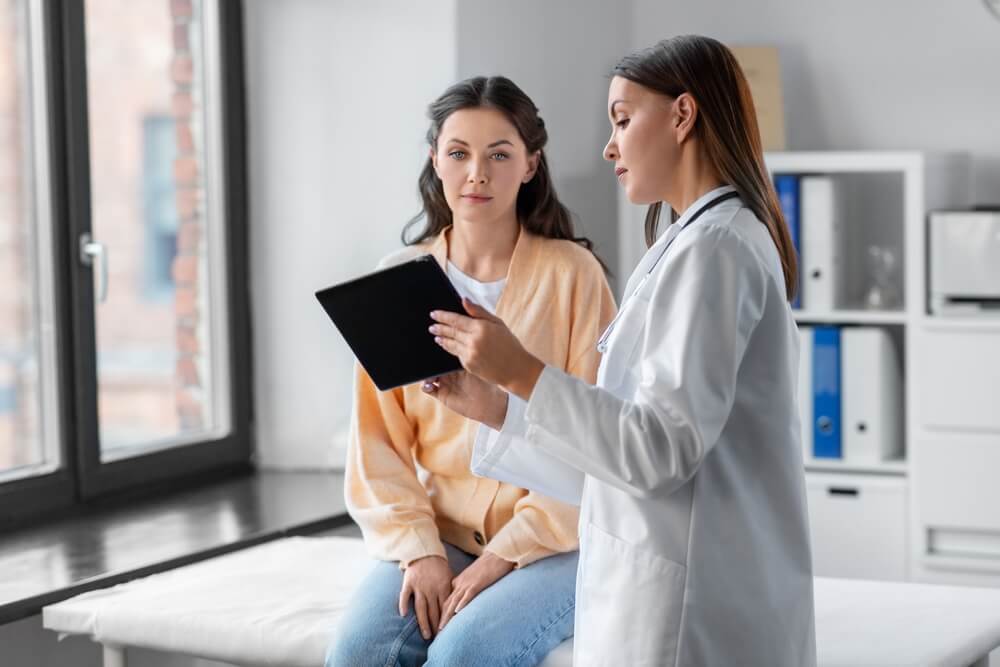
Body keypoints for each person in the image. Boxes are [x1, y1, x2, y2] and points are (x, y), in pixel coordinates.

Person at [426, 35, 817, 666]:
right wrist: (500, 406)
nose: (609, 146)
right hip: (658, 579)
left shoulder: (716, 250)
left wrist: (524, 373)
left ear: (682, 115)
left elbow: (657, 454)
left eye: (622, 119)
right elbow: (620, 456)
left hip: (694, 611)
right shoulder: (686, 245)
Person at [326, 75, 616, 667]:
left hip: (557, 541)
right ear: (435, 160)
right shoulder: (398, 279)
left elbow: (598, 441)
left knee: (466, 655)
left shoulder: (574, 276)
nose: (476, 173)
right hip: (441, 534)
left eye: (499, 154)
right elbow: (376, 446)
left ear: (531, 165)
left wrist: (500, 557)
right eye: (458, 153)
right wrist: (419, 551)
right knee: (360, 653)